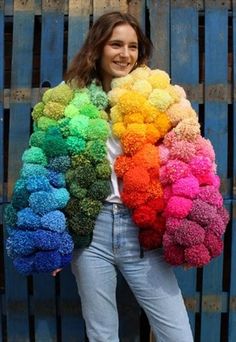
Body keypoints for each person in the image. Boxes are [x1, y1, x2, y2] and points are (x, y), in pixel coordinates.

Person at [52, 11, 194, 342]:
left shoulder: (158, 94)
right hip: (92, 232)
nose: (124, 54)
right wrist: (51, 240)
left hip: (141, 229)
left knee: (177, 334)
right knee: (102, 335)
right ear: (97, 47)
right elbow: (50, 166)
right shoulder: (71, 96)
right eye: (116, 44)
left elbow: (187, 154)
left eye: (132, 46)